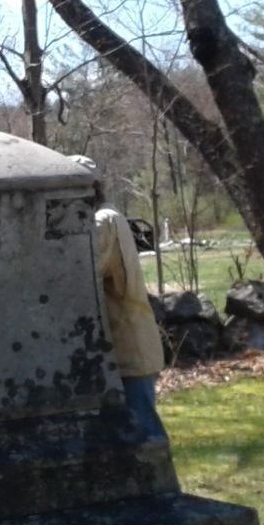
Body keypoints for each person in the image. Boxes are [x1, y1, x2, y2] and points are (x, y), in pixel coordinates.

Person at [71, 155, 168, 443]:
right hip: (121, 347)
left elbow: (80, 270)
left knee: (144, 434)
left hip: (128, 345)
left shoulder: (104, 222)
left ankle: (163, 489)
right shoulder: (105, 217)